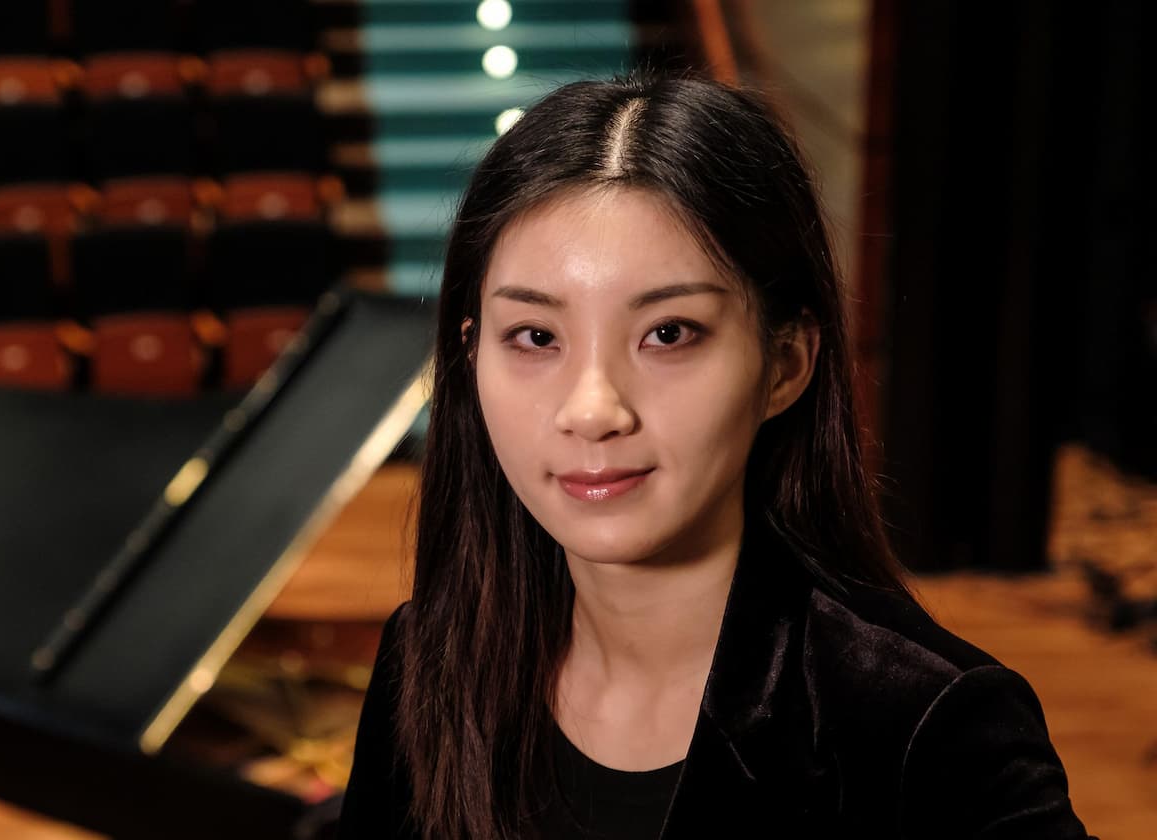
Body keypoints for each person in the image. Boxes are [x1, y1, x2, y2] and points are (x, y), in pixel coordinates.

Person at [336, 73, 1092, 839]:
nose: (593, 409)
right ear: (470, 359)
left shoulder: (928, 726)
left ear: (786, 363)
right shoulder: (429, 663)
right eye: (535, 337)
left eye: (669, 333)